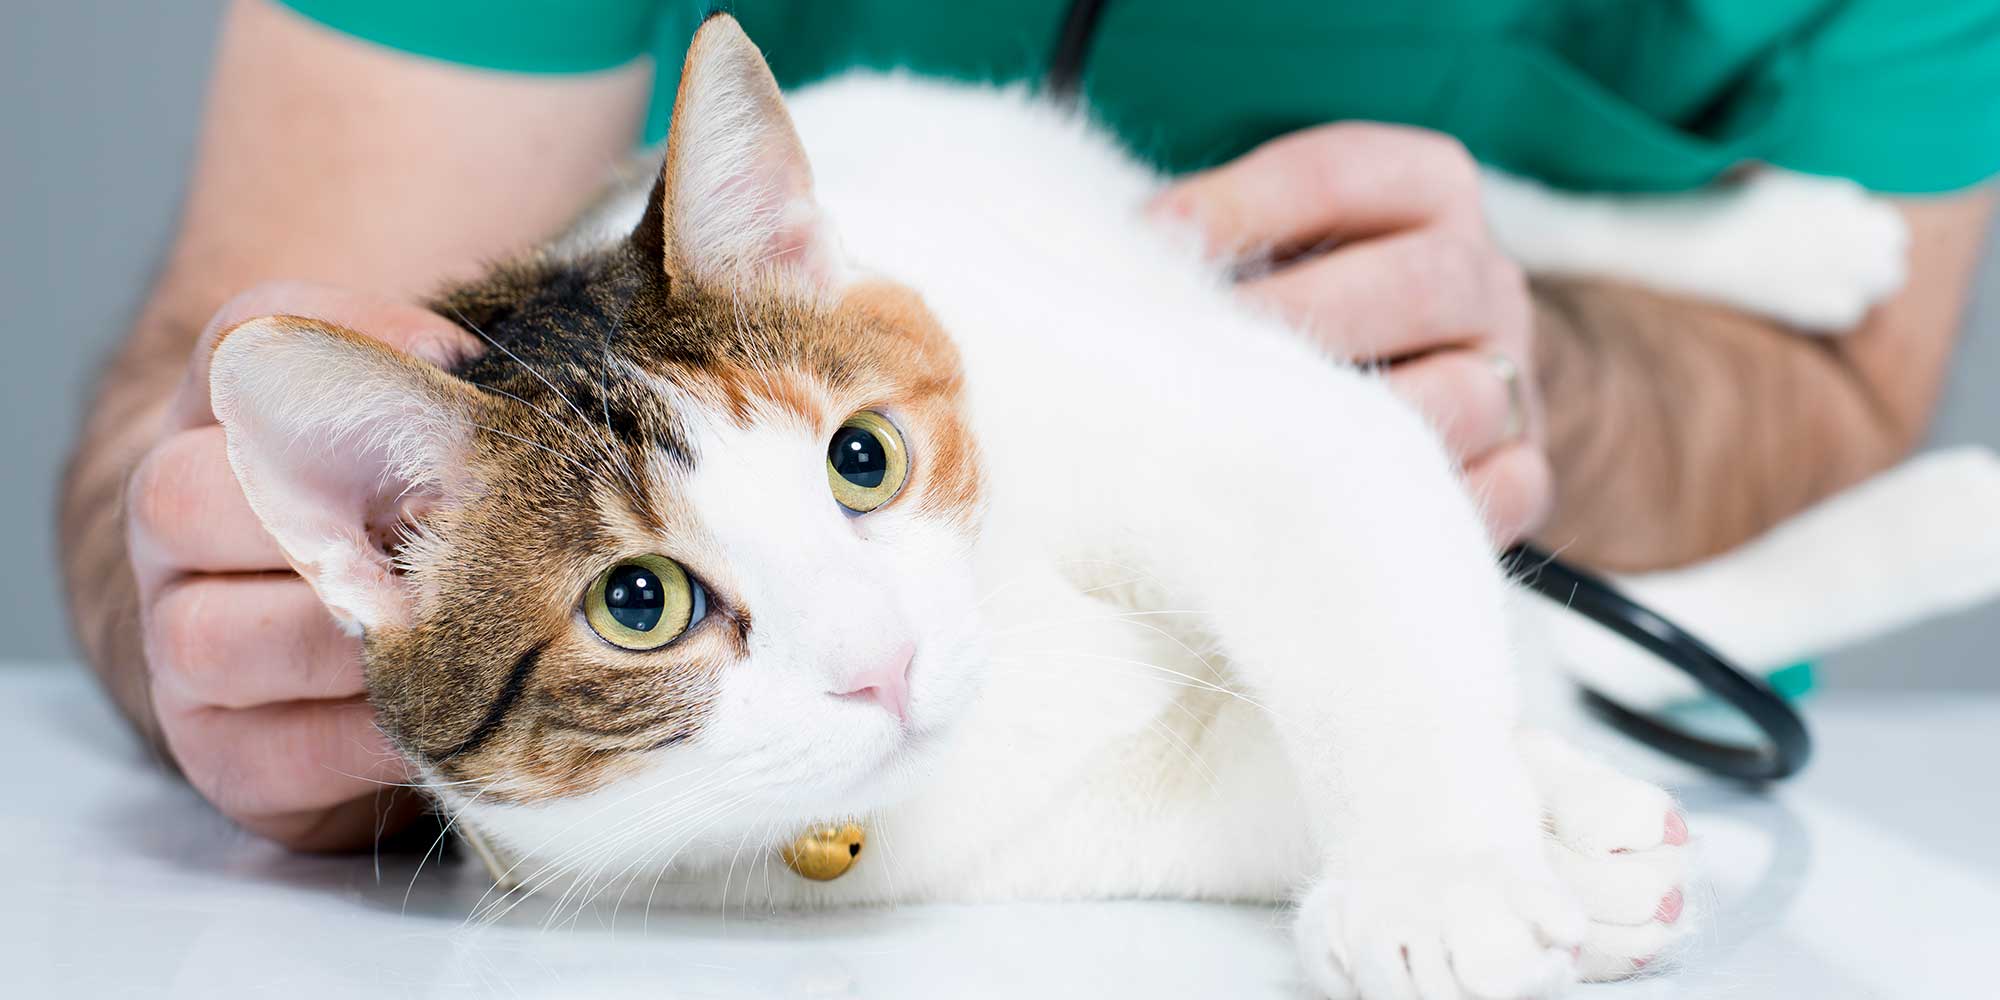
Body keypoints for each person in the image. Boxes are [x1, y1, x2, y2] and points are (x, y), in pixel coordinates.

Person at [59, 0, 1999, 850]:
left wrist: (1541, 384)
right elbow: (224, 366)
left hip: (1733, 792)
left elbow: (1850, 387)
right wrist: (227, 618)